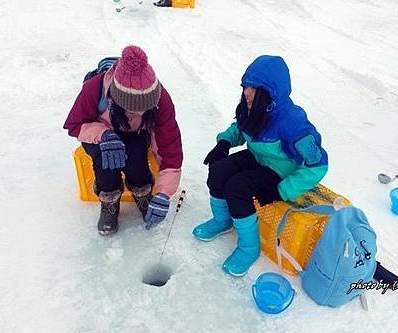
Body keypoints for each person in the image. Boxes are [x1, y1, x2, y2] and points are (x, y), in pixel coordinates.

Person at [193, 55, 329, 277]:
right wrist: (225, 142)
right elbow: (241, 127)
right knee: (219, 170)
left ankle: (249, 248)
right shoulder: (253, 107)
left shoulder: (292, 122)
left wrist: (281, 190)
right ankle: (222, 220)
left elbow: (318, 165)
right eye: (246, 85)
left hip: (281, 171)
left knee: (237, 187)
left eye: (254, 88)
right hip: (257, 157)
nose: (247, 91)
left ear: (271, 93)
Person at [64, 45, 183, 235]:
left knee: (135, 155)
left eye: (147, 108)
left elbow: (170, 147)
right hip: (100, 134)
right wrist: (103, 135)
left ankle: (142, 191)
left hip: (135, 134)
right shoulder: (94, 88)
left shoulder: (161, 99)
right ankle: (109, 199)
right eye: (135, 108)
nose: (142, 113)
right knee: (107, 160)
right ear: (118, 99)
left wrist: (164, 194)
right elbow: (74, 124)